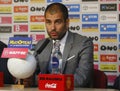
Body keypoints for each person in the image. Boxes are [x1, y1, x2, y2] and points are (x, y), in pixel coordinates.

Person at [34, 2, 93, 87]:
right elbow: (30, 73)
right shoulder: (41, 44)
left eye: (57, 22)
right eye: (48, 22)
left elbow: (81, 79)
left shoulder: (83, 44)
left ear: (67, 22)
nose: (52, 28)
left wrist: (40, 82)